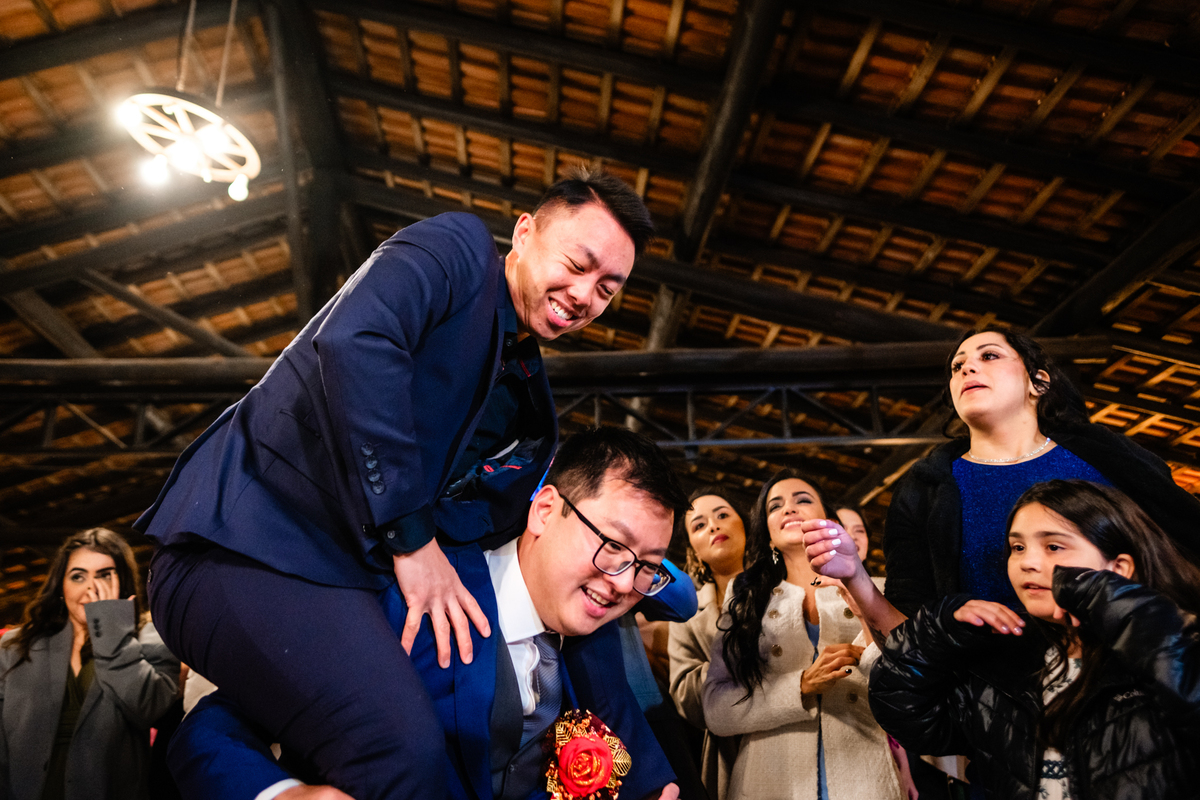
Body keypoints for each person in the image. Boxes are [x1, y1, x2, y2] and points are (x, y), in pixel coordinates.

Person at [136, 170, 663, 800]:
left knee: (401, 752)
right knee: (401, 749)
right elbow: (355, 340)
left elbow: (502, 521)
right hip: (238, 548)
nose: (585, 295)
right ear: (524, 232)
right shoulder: (458, 251)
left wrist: (644, 567)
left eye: (607, 289)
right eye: (578, 264)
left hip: (341, 579)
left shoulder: (523, 396)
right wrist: (414, 543)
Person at [165, 427, 688, 800]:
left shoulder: (590, 654)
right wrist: (280, 793)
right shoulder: (408, 596)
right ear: (544, 511)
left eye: (646, 565)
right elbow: (212, 727)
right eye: (613, 545)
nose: (623, 583)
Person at [803, 327, 1200, 644]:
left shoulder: (1106, 456)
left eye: (989, 356)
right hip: (1000, 699)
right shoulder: (925, 488)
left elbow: (1184, 549)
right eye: (957, 367)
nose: (966, 370)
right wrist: (855, 575)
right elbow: (909, 632)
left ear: (1038, 382)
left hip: (1132, 674)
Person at [870, 479, 1200, 800]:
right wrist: (938, 628)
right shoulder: (1013, 661)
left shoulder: (1170, 641)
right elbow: (907, 714)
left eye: (1053, 546)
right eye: (1017, 547)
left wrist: (1112, 601)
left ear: (1119, 567)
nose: (1027, 563)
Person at [702, 470, 904, 800]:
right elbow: (716, 710)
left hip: (866, 779)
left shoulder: (880, 592)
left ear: (828, 519)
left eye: (803, 500)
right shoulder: (746, 606)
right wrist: (802, 684)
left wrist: (864, 619)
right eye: (775, 506)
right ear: (767, 535)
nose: (789, 509)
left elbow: (909, 683)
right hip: (767, 782)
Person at [0, 528, 180, 800]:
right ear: (61, 585)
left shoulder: (151, 637)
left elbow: (149, 708)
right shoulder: (14, 646)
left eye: (104, 575)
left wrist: (111, 628)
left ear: (124, 580)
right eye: (78, 576)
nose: (90, 588)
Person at [667, 488, 748, 800]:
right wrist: (736, 649)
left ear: (746, 526)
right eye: (699, 525)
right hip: (730, 756)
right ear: (694, 550)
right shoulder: (686, 615)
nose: (714, 525)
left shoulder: (786, 589)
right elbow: (687, 700)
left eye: (723, 515)